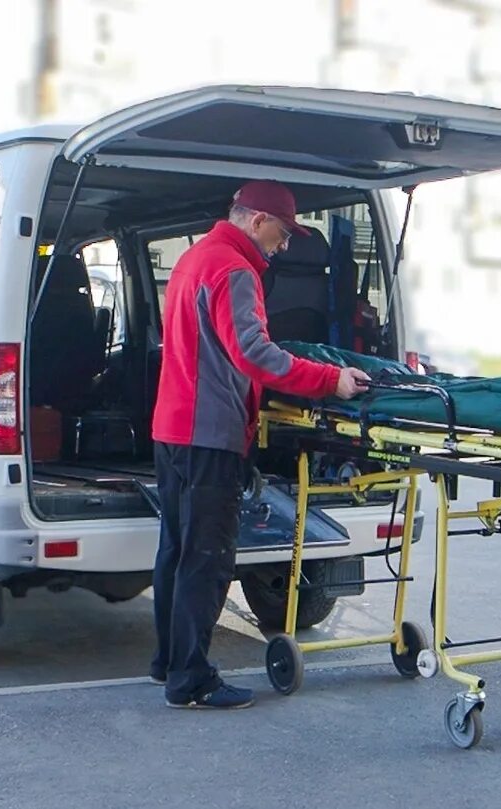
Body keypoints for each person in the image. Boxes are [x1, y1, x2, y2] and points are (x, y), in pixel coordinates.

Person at [149, 180, 370, 710]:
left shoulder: (195, 257)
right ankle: (192, 681)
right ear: (256, 220)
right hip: (209, 434)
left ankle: (168, 662)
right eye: (282, 232)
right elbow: (253, 353)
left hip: (172, 428)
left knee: (176, 551)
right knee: (208, 557)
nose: (284, 245)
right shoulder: (235, 268)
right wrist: (330, 380)